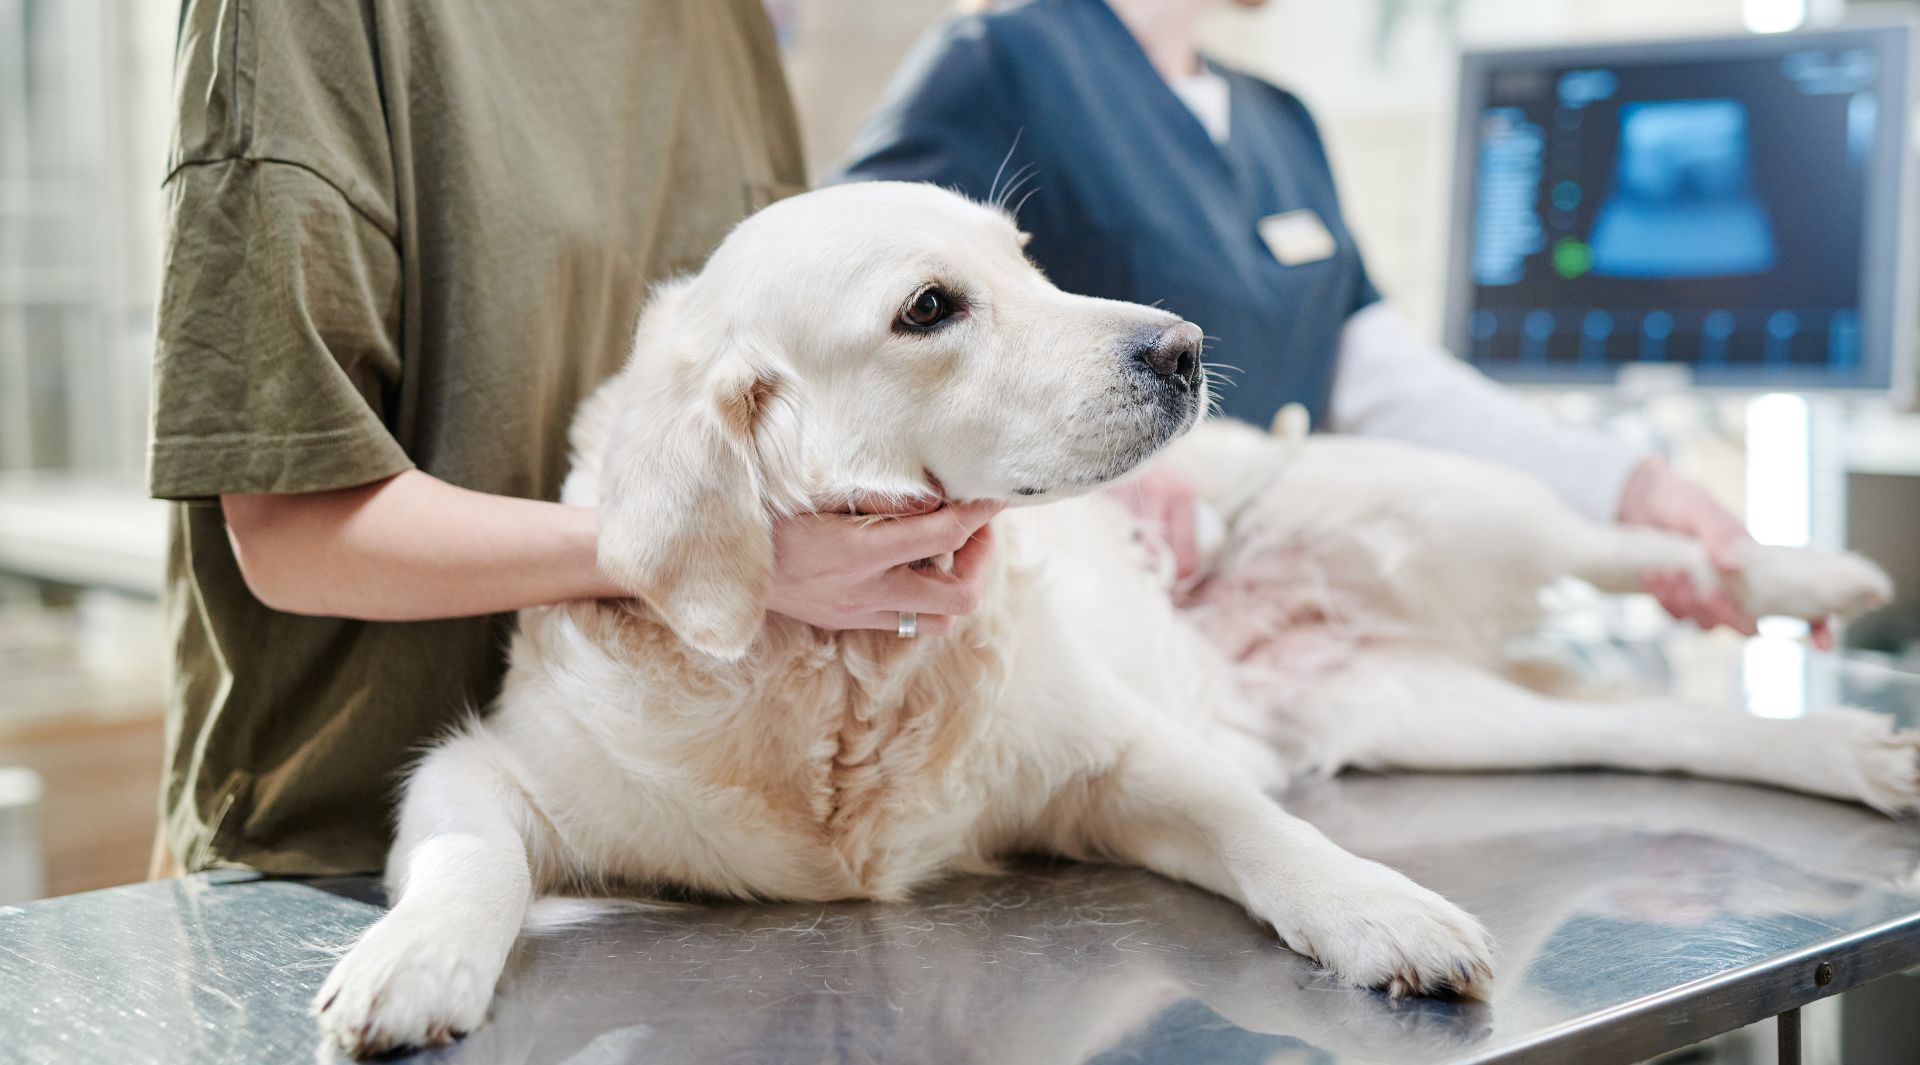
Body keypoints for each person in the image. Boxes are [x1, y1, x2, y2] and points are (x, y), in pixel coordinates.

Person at [147, 0, 996, 876]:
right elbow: (294, 534)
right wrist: (706, 550)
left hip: (689, 846)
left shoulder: (724, 26)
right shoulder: (303, 21)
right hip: (341, 862)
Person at [833, 0, 1796, 641]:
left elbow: (1382, 380)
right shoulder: (999, 61)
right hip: (1098, 631)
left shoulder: (1279, 119)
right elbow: (848, 339)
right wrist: (1102, 481)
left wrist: (1632, 484)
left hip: (1287, 617)